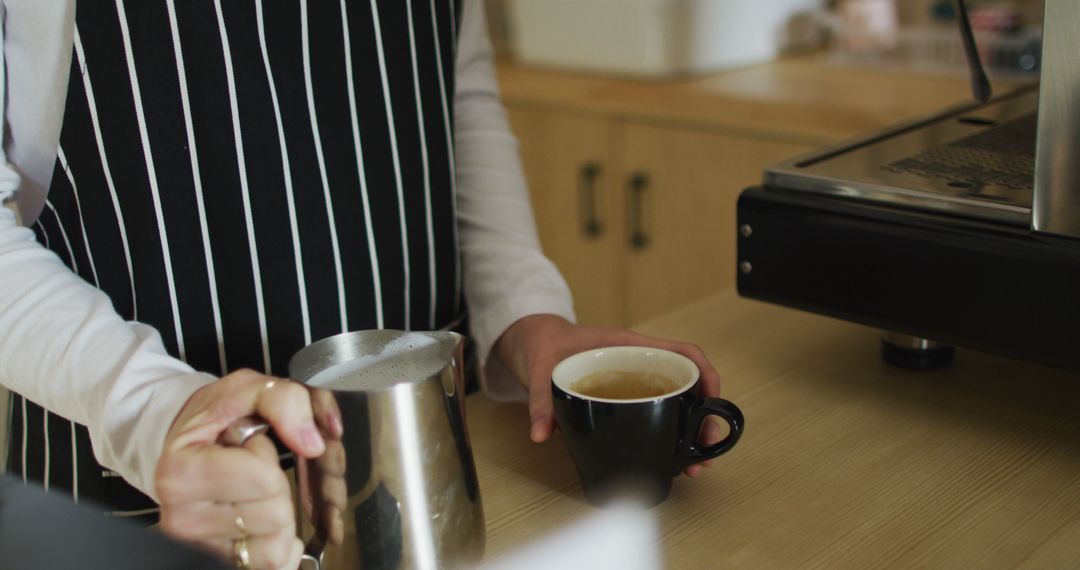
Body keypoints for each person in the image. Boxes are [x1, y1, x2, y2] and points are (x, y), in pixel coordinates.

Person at [0, 1, 724, 568]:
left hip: (433, 473)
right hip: (149, 500)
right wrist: (156, 405)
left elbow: (459, 98)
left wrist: (531, 318)